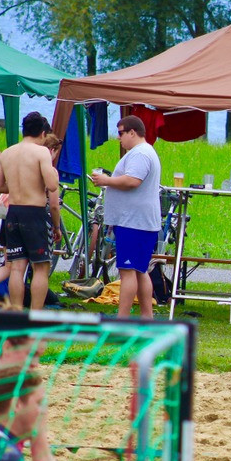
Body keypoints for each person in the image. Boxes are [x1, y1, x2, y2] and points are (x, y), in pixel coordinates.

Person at [89, 116, 161, 318]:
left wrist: (107, 180)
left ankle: (122, 319)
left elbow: (132, 181)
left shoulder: (140, 154)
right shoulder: (144, 152)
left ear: (132, 132)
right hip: (139, 221)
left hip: (134, 222)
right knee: (140, 270)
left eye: (121, 133)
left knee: (127, 271)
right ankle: (147, 317)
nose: (119, 138)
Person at [0, 112, 60, 311]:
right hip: (34, 214)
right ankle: (36, 314)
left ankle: (16, 311)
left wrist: (17, 186)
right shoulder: (41, 153)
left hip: (13, 214)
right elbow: (52, 185)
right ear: (42, 133)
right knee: (41, 266)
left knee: (16, 266)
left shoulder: (7, 153)